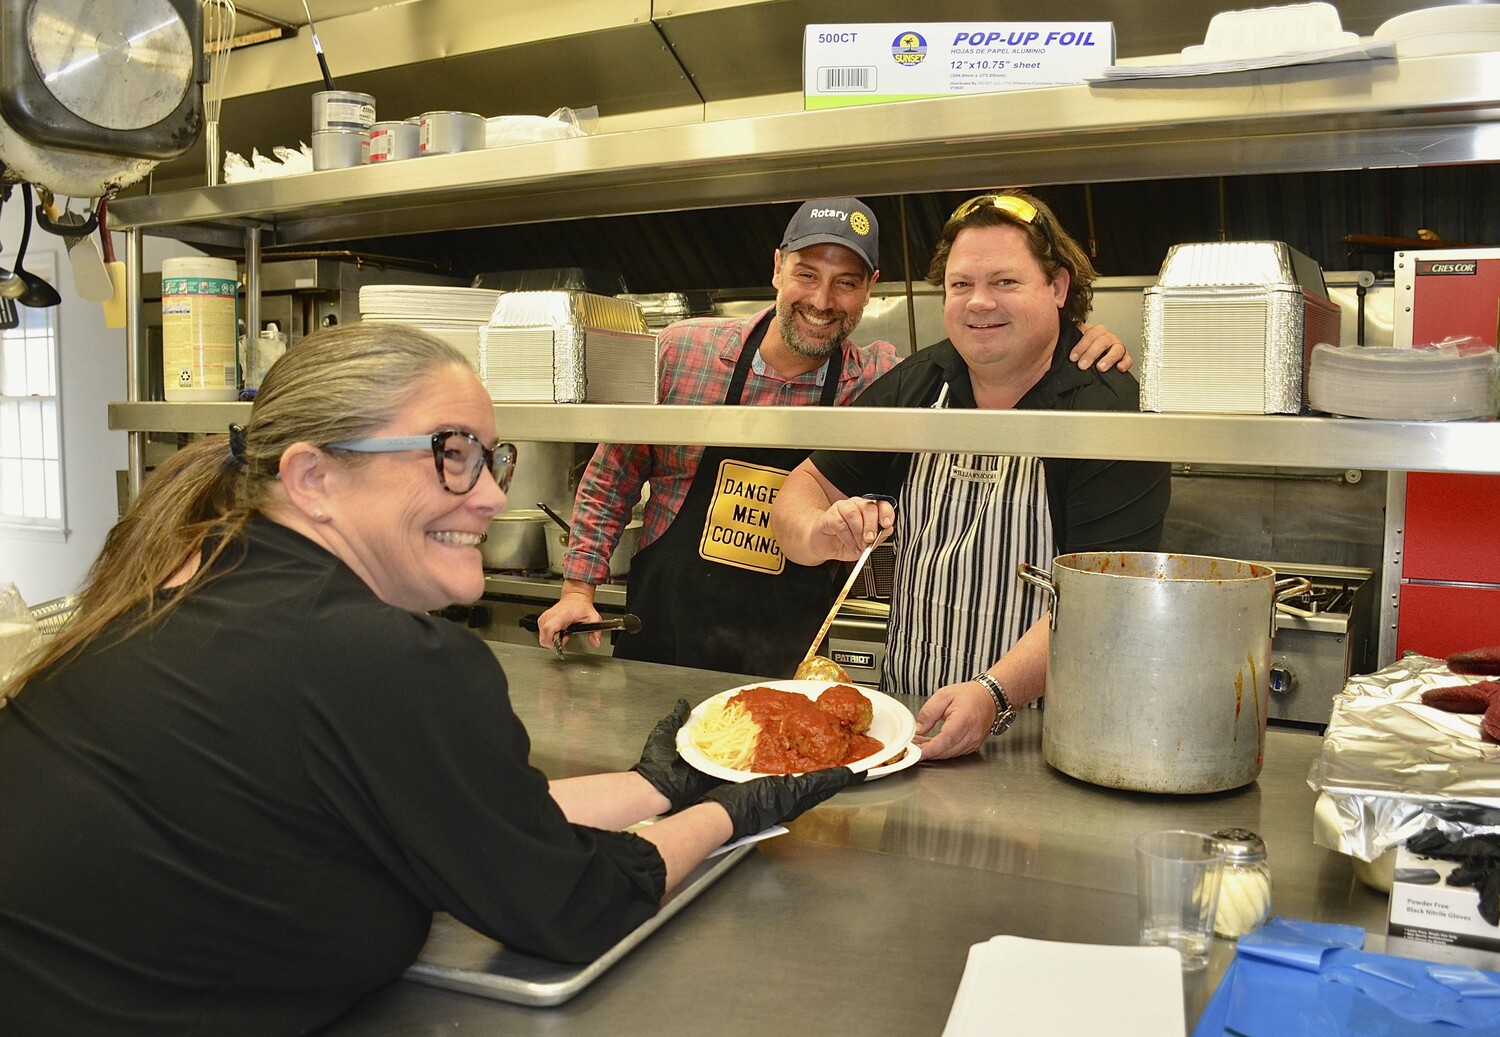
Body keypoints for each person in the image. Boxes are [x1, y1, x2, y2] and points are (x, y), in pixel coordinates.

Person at [0, 324, 855, 1036]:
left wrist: (657, 783)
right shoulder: (379, 655)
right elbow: (577, 902)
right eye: (450, 455)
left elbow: (474, 820)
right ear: (313, 478)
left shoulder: (199, 582)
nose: (486, 496)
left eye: (491, 459)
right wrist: (735, 812)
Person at [537, 196, 1132, 677]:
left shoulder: (878, 377)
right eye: (806, 274)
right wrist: (576, 586)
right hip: (665, 634)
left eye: (846, 282)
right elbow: (611, 474)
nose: (822, 301)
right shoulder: (681, 351)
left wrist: (1077, 336)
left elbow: (1010, 342)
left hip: (791, 657)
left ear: (870, 287)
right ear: (776, 268)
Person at [770, 190, 1172, 761]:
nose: (978, 302)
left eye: (1005, 282)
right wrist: (817, 533)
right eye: (960, 285)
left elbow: (1105, 600)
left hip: (1052, 740)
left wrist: (993, 695)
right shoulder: (917, 385)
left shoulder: (1105, 407)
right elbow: (801, 489)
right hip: (911, 726)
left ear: (1057, 288)